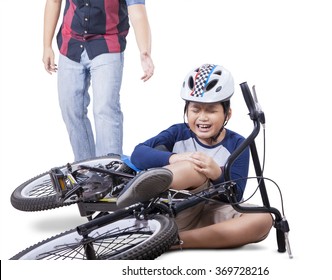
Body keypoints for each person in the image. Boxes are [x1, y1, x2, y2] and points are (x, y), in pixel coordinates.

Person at [117, 64, 273, 249]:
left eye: (211, 110)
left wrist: (218, 175)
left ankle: (172, 241)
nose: (203, 117)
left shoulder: (238, 144)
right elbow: (138, 154)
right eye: (195, 110)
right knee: (193, 166)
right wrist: (174, 158)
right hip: (172, 206)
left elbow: (237, 196)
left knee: (264, 218)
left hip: (209, 211)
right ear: (186, 111)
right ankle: (138, 192)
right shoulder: (177, 133)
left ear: (227, 114)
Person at [43, 0, 154, 161]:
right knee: (70, 108)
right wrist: (47, 45)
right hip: (71, 43)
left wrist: (145, 51)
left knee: (105, 108)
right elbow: (53, 1)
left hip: (107, 43)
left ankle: (109, 171)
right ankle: (85, 168)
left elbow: (137, 12)